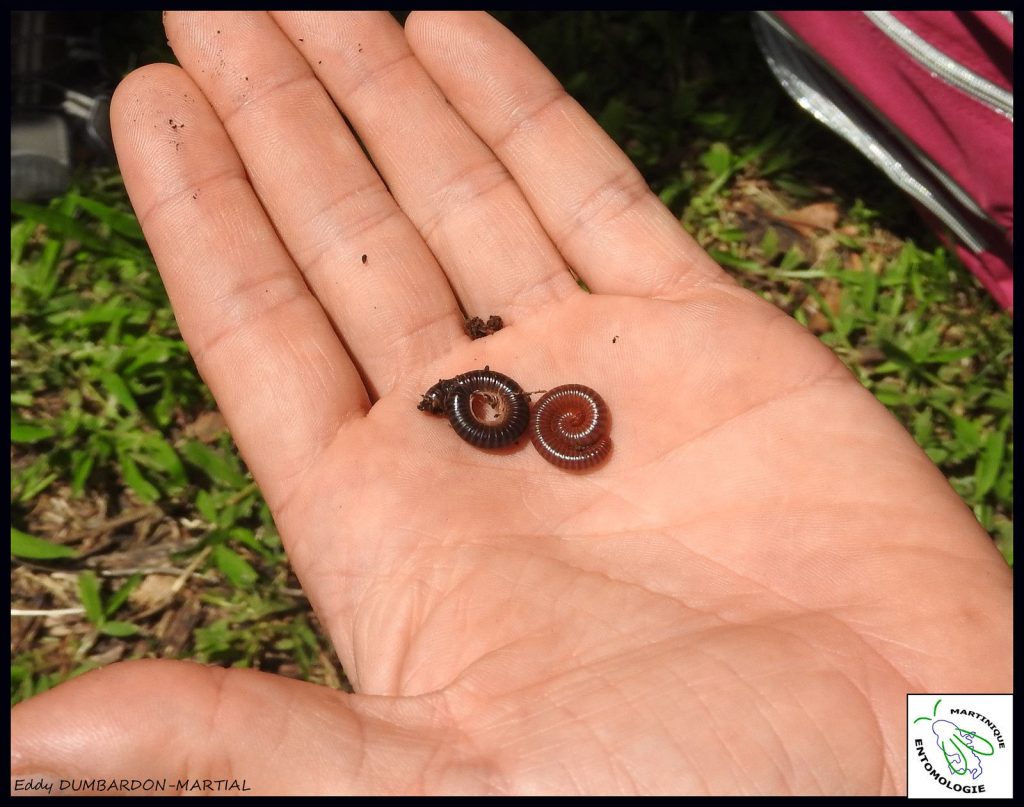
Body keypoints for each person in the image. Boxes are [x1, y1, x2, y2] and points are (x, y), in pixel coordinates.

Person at [10, 11, 1011, 796]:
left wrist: (924, 748)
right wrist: (956, 732)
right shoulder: (973, 760)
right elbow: (971, 772)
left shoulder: (513, 408)